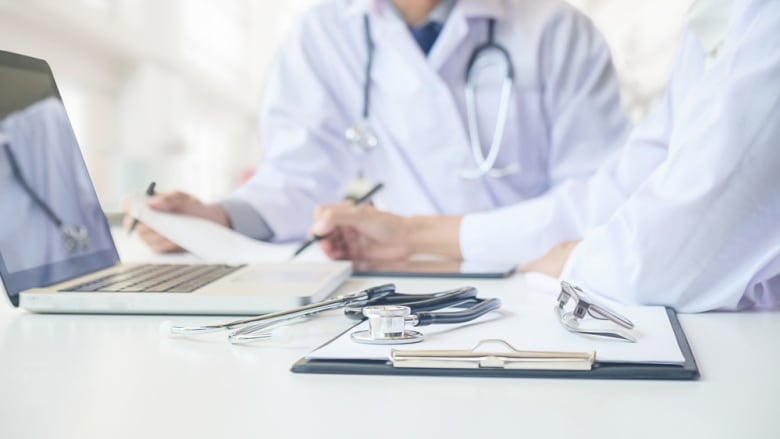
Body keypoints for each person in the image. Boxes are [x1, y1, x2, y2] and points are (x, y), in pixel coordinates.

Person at [310, 0, 780, 312]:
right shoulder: (718, 20)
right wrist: (412, 234)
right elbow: (619, 193)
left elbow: (664, 262)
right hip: (467, 272)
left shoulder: (555, 25)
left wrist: (572, 260)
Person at [129, 0, 628, 252]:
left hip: (542, 277)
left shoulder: (556, 29)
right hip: (398, 281)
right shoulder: (327, 31)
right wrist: (219, 220)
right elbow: (299, 177)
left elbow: (598, 196)